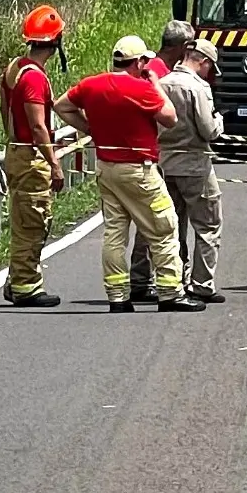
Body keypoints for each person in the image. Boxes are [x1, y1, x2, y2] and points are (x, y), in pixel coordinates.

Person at [54, 35, 206, 313]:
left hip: (107, 168)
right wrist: (155, 83)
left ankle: (117, 296)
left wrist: (91, 130)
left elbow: (61, 105)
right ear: (138, 62)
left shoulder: (91, 85)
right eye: (144, 61)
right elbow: (170, 118)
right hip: (139, 169)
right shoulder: (141, 90)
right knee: (164, 227)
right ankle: (171, 293)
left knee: (114, 232)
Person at [0, 5, 68, 308]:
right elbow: (39, 126)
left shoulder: (15, 68)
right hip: (31, 158)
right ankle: (26, 286)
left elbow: (4, 108)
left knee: (22, 219)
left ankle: (17, 279)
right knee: (33, 221)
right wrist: (54, 164)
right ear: (55, 42)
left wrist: (13, 139)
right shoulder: (34, 79)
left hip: (16, 151)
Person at [159, 38, 227, 303]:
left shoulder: (162, 83)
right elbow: (208, 130)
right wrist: (219, 120)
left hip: (165, 162)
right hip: (195, 164)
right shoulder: (198, 87)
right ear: (204, 61)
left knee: (172, 226)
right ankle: (201, 284)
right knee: (208, 225)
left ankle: (171, 279)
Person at [131, 20, 195, 299]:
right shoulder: (156, 72)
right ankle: (144, 279)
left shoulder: (160, 69)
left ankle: (150, 277)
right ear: (182, 46)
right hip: (156, 155)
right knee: (156, 221)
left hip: (160, 153)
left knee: (162, 220)